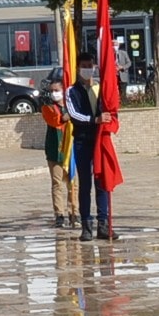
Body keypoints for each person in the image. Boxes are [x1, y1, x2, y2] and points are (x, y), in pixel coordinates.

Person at [68, 55, 114, 241]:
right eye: (84, 66)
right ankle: (86, 225)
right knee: (85, 184)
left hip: (99, 140)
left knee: (102, 183)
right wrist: (93, 120)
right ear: (78, 68)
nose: (88, 69)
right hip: (81, 141)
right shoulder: (72, 91)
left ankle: (103, 224)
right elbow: (73, 114)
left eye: (90, 66)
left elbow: (109, 106)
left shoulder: (99, 89)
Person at [38, 76, 74, 229]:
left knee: (73, 184)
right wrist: (69, 115)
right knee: (57, 183)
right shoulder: (48, 108)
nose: (54, 93)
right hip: (55, 150)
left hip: (71, 150)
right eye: (52, 91)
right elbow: (56, 120)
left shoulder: (71, 105)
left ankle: (74, 212)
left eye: (57, 90)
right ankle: (59, 215)